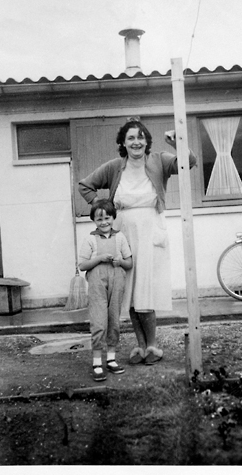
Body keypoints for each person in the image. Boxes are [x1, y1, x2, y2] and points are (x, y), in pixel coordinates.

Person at [79, 118, 197, 366]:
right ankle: (140, 345)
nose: (136, 142)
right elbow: (85, 186)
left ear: (147, 141)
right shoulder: (114, 167)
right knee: (129, 290)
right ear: (123, 142)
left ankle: (152, 345)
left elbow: (190, 163)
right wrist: (104, 209)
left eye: (141, 137)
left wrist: (178, 143)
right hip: (123, 231)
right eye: (131, 138)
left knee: (146, 289)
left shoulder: (159, 160)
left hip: (151, 230)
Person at [78, 199, 133, 382]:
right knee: (99, 322)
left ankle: (111, 359)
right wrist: (100, 258)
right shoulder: (90, 239)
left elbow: (129, 262)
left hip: (117, 281)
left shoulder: (120, 237)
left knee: (114, 321)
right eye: (99, 219)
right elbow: (82, 265)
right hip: (97, 284)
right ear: (94, 220)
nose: (104, 223)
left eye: (107, 218)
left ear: (113, 218)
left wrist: (120, 262)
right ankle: (96, 363)